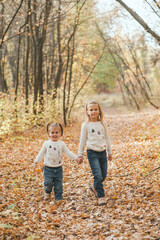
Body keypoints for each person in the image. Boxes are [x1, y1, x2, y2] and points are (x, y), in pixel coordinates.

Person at [77, 100, 112, 206]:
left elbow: (107, 138)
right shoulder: (86, 125)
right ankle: (101, 196)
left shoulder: (103, 123)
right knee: (97, 174)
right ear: (87, 112)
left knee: (103, 175)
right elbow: (82, 141)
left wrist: (109, 152)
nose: (93, 112)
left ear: (99, 110)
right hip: (92, 152)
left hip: (102, 152)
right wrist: (80, 154)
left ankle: (94, 187)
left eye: (95, 109)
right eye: (91, 110)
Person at [33, 122, 78, 203]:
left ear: (60, 133)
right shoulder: (46, 144)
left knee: (58, 185)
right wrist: (36, 162)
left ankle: (58, 197)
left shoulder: (61, 144)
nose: (54, 134)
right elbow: (41, 153)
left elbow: (68, 152)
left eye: (56, 132)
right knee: (48, 183)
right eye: (52, 133)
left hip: (58, 168)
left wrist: (76, 158)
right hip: (48, 168)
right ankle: (47, 192)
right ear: (49, 134)